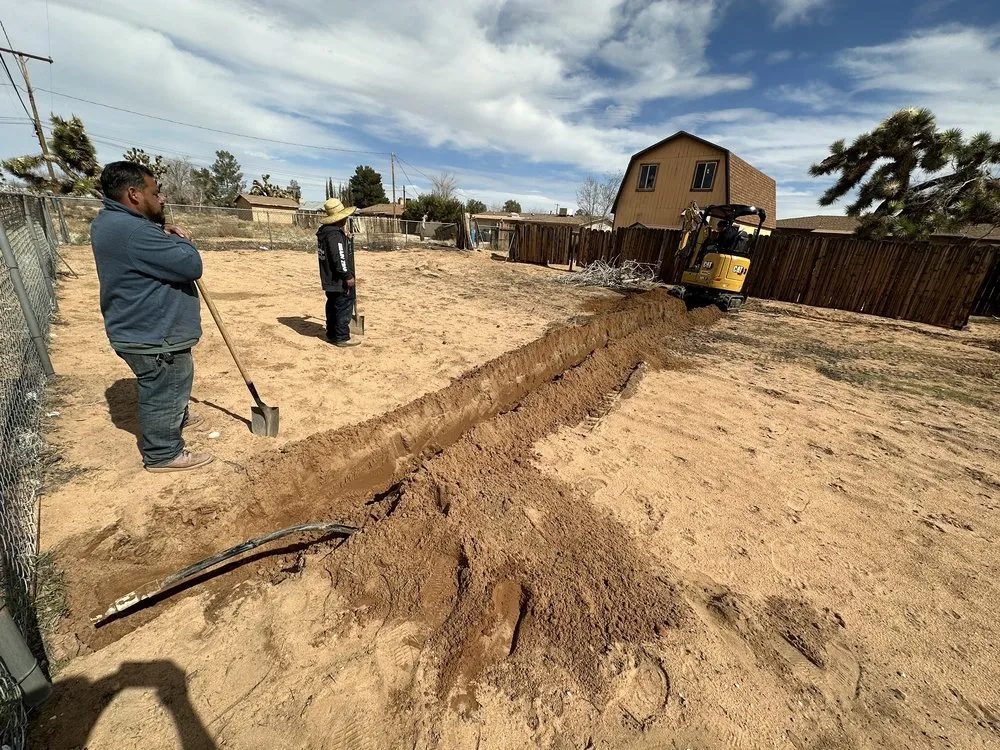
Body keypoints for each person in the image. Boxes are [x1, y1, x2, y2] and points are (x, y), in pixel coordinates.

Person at [90, 161, 213, 473]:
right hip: (154, 335)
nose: (161, 200)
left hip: (139, 327)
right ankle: (163, 453)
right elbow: (190, 265)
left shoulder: (111, 222)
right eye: (155, 193)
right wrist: (181, 240)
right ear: (134, 194)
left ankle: (176, 416)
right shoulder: (134, 232)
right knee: (166, 383)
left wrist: (160, 231)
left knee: (171, 382)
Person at [316, 197, 360, 347]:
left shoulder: (326, 233)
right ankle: (342, 337)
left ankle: (332, 334)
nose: (346, 219)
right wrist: (347, 276)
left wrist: (345, 239)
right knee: (344, 304)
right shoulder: (334, 235)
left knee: (333, 304)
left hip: (329, 279)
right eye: (344, 217)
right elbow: (339, 257)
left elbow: (333, 252)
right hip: (338, 279)